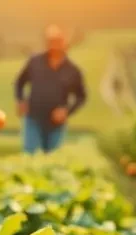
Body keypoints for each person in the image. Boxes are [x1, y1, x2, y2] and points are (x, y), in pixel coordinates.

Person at [15, 25, 86, 154]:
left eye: (58, 41)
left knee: (52, 157)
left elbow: (81, 97)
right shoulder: (34, 62)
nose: (54, 45)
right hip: (33, 116)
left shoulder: (73, 70)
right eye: (50, 41)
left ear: (65, 43)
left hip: (55, 123)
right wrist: (20, 100)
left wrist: (66, 111)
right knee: (29, 152)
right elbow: (20, 82)